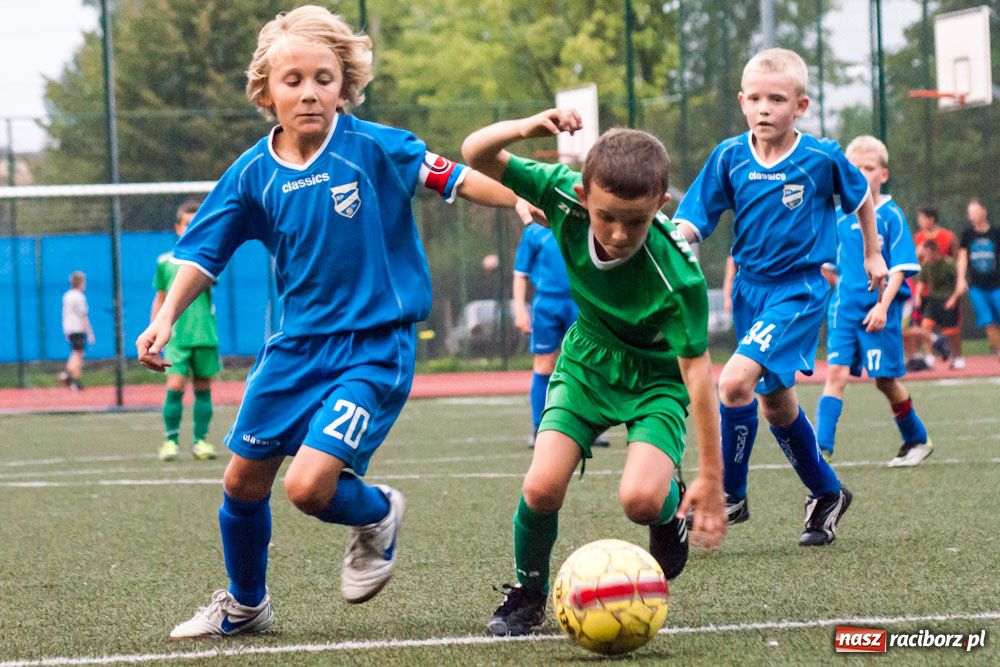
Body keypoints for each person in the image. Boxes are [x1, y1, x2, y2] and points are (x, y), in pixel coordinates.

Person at [136, 5, 542, 640]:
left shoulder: (375, 148)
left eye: (324, 78)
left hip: (373, 349)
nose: (309, 92)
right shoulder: (251, 173)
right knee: (242, 478)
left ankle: (377, 512)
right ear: (266, 91)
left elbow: (455, 178)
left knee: (307, 487)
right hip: (294, 349)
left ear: (345, 85)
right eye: (292, 79)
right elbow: (202, 254)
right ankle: (246, 605)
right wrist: (165, 317)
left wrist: (518, 198)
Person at [463, 110, 727, 636]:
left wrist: (712, 480)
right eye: (607, 216)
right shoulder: (560, 194)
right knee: (540, 488)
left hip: (656, 381)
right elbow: (475, 152)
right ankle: (528, 593)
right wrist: (530, 126)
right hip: (587, 361)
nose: (620, 233)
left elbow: (698, 376)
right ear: (583, 196)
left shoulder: (678, 276)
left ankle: (669, 511)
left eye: (637, 220)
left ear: (662, 206)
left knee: (641, 501)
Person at [672, 48, 888, 546]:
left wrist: (873, 255)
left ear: (801, 106)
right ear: (742, 102)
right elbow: (693, 219)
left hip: (799, 289)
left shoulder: (821, 158)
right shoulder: (729, 156)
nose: (765, 108)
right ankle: (827, 492)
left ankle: (730, 493)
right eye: (756, 99)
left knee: (733, 384)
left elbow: (861, 200)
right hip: (751, 289)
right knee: (775, 406)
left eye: (778, 99)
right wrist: (669, 239)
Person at [815, 136, 931, 468]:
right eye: (855, 168)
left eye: (869, 168)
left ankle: (918, 440)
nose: (862, 173)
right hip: (843, 311)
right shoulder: (838, 215)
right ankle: (821, 451)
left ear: (884, 173)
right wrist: (838, 288)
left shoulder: (891, 216)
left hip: (879, 312)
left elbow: (900, 269)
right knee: (835, 373)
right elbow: (831, 265)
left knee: (885, 380)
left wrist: (882, 306)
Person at [513, 223, 608, 449]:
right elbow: (520, 273)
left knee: (585, 364)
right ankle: (540, 428)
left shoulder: (581, 224)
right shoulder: (533, 231)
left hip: (581, 302)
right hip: (546, 305)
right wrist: (519, 309)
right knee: (544, 365)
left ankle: (589, 428)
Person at [152, 197, 221, 463]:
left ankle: (200, 441)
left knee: (203, 388)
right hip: (177, 336)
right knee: (176, 386)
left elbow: (209, 282)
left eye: (197, 224)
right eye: (187, 224)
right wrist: (154, 330)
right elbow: (160, 298)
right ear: (177, 227)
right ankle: (170, 441)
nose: (191, 228)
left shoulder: (209, 259)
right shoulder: (165, 261)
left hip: (204, 334)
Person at [912, 206, 962, 368]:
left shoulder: (947, 236)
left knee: (951, 329)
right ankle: (929, 356)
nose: (919, 221)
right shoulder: (918, 238)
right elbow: (914, 264)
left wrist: (958, 286)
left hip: (946, 291)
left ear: (931, 219)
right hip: (925, 288)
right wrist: (917, 256)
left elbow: (957, 258)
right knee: (925, 325)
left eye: (922, 218)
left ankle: (957, 357)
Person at [957, 197, 1000, 359]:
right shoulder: (967, 235)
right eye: (970, 213)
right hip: (976, 286)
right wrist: (961, 279)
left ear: (984, 211)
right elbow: (962, 258)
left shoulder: (995, 233)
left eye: (975, 211)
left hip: (997, 284)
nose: (972, 215)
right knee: (988, 321)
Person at [59, 271, 94, 391]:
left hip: (69, 328)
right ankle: (68, 374)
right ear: (80, 283)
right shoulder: (79, 296)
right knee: (78, 354)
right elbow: (83, 316)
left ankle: (74, 381)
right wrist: (89, 333)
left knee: (76, 353)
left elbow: (65, 314)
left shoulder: (67, 295)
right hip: (78, 328)